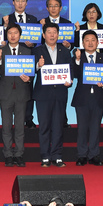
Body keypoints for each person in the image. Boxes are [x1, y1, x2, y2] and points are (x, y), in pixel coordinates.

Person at [33, 22, 72, 167]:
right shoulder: (37, 51)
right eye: (48, 32)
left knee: (58, 126)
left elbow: (70, 69)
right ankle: (45, 156)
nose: (51, 35)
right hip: (43, 94)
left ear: (58, 34)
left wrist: (70, 80)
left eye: (54, 32)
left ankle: (57, 155)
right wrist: (38, 66)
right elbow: (31, 70)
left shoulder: (65, 51)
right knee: (44, 126)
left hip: (60, 93)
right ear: (43, 35)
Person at [71, 30, 103, 166]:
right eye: (87, 40)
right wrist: (77, 60)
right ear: (83, 43)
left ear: (98, 42)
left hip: (98, 98)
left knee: (95, 128)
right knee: (82, 128)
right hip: (82, 98)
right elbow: (74, 74)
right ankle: (82, 155)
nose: (90, 42)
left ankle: (94, 155)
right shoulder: (77, 57)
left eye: (93, 40)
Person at [0, 24, 32, 167]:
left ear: (20, 35)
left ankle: (19, 154)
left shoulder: (27, 51)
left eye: (15, 33)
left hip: (22, 93)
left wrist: (29, 78)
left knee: (19, 127)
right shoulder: (1, 51)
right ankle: (8, 154)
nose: (12, 35)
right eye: (10, 33)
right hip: (6, 94)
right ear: (6, 35)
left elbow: (30, 72)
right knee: (6, 126)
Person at [2, 0, 39, 129]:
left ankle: (28, 118)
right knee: (11, 89)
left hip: (27, 58)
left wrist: (32, 44)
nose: (20, 3)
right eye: (17, 0)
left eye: (23, 0)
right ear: (13, 2)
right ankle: (12, 119)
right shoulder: (7, 19)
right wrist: (5, 26)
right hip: (11, 59)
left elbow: (36, 40)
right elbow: (4, 39)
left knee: (27, 89)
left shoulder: (33, 19)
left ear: (26, 3)